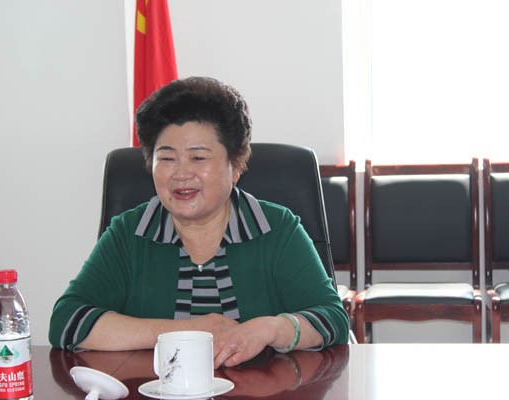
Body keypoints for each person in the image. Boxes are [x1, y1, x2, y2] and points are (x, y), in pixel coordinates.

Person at [49, 76, 349, 368]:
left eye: (198, 158)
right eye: (167, 159)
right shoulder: (131, 232)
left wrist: (270, 328)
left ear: (235, 166)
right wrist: (188, 331)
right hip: (152, 390)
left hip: (260, 391)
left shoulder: (275, 228)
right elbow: (67, 322)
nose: (181, 174)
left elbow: (332, 318)